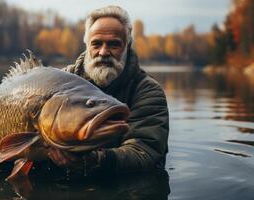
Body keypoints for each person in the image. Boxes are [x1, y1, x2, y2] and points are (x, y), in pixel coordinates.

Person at [46, 6, 169, 174]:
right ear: (87, 45)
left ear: (127, 46)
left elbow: (144, 151)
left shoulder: (148, 91)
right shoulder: (57, 82)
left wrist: (96, 160)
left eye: (114, 44)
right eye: (96, 44)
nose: (103, 52)